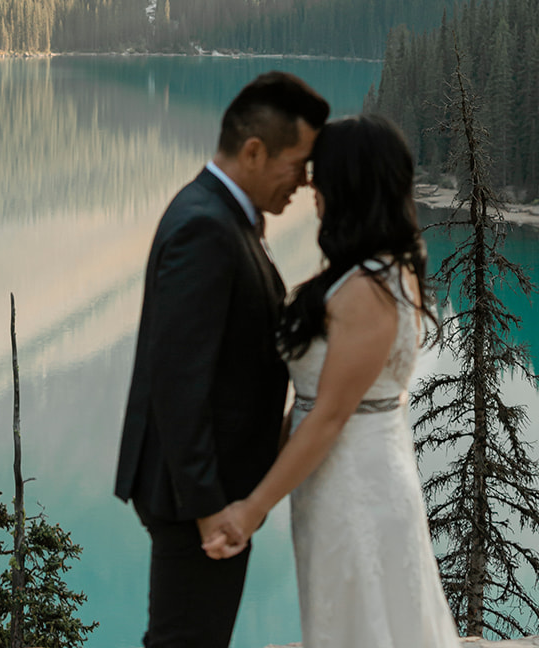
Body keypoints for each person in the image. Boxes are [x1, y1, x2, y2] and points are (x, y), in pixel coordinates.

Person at [202, 115, 459, 648]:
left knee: (362, 622)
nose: (310, 187)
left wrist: (251, 511)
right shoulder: (368, 271)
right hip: (340, 480)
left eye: (319, 175)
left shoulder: (369, 289)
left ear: (350, 185)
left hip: (357, 483)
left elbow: (329, 417)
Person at [115, 70, 330, 648]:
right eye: (298, 164)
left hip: (214, 489)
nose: (304, 182)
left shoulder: (223, 216)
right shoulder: (205, 227)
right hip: (198, 499)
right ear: (255, 151)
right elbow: (178, 380)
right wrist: (209, 507)